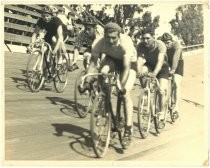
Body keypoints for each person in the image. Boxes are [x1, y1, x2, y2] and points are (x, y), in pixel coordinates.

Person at [79, 22, 137, 147]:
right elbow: (93, 64)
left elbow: (126, 68)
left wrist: (121, 86)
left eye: (113, 38)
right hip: (112, 59)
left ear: (119, 36)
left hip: (129, 64)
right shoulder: (98, 43)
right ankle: (105, 100)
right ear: (104, 35)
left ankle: (128, 129)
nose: (110, 40)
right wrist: (87, 81)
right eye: (108, 37)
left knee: (125, 93)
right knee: (102, 71)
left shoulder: (126, 43)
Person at [136, 28, 169, 125]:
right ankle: (146, 92)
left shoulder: (160, 45)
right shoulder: (140, 45)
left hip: (162, 68)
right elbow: (139, 59)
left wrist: (154, 74)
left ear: (153, 38)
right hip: (150, 65)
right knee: (142, 71)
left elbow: (160, 61)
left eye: (147, 38)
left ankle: (162, 112)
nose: (145, 41)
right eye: (143, 39)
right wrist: (139, 72)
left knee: (161, 91)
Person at [29, 5, 70, 70]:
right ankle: (40, 68)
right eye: (43, 16)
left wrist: (54, 51)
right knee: (43, 49)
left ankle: (60, 59)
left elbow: (60, 38)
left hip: (63, 33)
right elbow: (34, 34)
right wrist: (31, 45)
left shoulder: (56, 20)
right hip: (51, 33)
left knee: (54, 39)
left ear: (51, 15)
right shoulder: (40, 20)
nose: (45, 18)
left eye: (47, 16)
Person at [161, 32, 184, 116]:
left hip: (178, 63)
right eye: (164, 43)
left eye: (168, 43)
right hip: (168, 64)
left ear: (172, 41)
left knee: (176, 83)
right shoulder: (163, 47)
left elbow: (176, 58)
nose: (166, 45)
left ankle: (176, 108)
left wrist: (173, 69)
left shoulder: (176, 45)